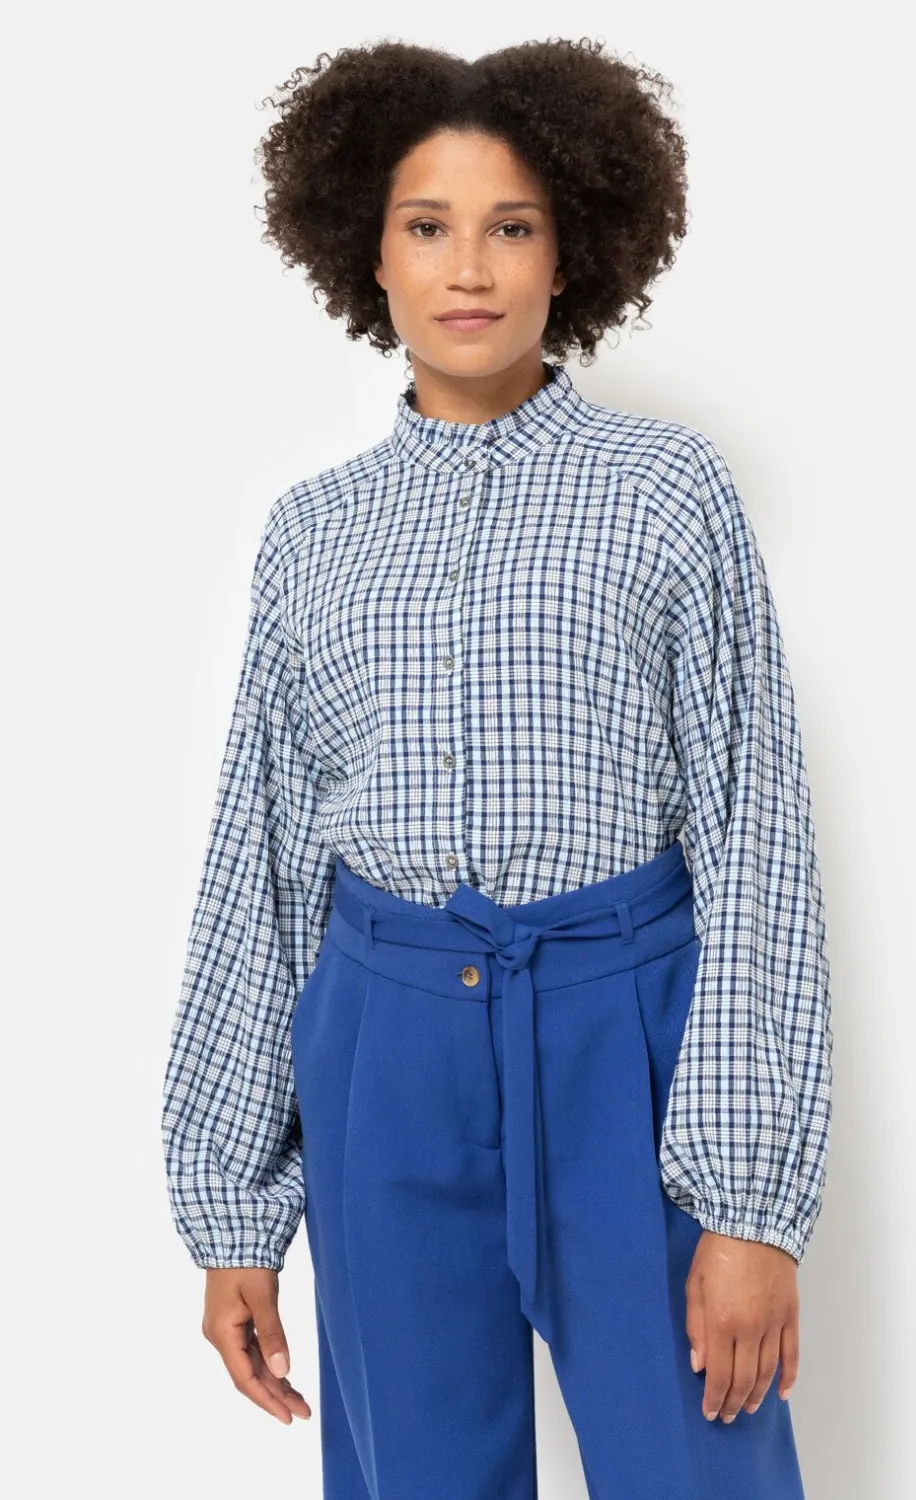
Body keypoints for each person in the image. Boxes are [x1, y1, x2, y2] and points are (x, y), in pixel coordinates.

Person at [161, 35, 833, 1500]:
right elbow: (262, 863)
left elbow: (757, 839)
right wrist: (232, 1211)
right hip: (387, 1048)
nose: (469, 268)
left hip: (624, 1042)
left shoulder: (667, 492)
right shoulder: (312, 533)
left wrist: (751, 1207)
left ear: (569, 250)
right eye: (428, 226)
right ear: (370, 254)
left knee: (700, 1469)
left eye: (511, 227)